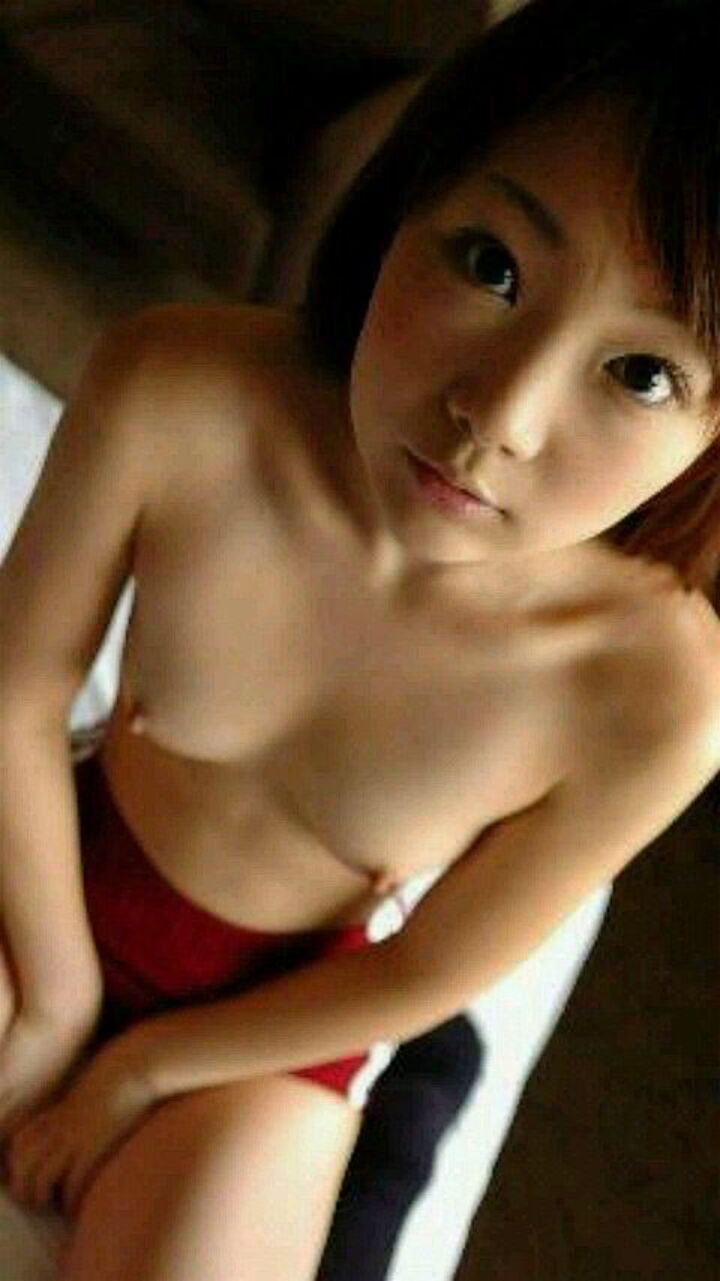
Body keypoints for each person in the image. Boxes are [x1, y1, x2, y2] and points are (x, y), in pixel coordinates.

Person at [0, 0, 719, 1277]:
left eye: (643, 373)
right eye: (491, 264)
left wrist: (142, 1071)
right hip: (53, 878)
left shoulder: (655, 699)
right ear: (406, 201)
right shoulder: (181, 392)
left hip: (275, 1033)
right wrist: (57, 996)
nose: (500, 415)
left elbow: (430, 969)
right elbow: (14, 691)